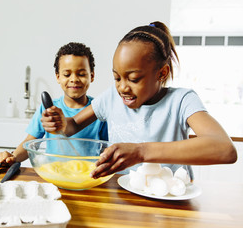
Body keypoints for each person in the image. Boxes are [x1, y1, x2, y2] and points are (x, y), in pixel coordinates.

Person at [41, 21, 237, 179]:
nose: (122, 87)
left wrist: (141, 152)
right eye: (117, 77)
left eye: (133, 79)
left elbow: (224, 149)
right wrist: (60, 121)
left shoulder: (181, 101)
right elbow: (73, 125)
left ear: (162, 73)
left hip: (170, 204)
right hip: (122, 199)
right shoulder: (111, 97)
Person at [0, 42, 108, 165]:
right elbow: (30, 142)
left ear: (92, 76)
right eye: (67, 74)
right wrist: (13, 157)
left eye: (81, 74)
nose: (74, 79)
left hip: (88, 176)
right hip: (55, 175)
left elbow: (106, 147)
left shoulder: (98, 109)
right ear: (58, 77)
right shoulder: (48, 110)